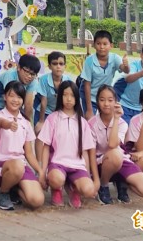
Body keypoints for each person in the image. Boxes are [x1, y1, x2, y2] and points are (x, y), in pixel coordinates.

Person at [88, 84, 143, 205]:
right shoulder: (91, 123)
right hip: (100, 164)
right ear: (97, 101)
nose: (106, 104)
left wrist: (117, 118)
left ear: (116, 102)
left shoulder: (122, 123)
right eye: (102, 100)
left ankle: (122, 182)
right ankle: (104, 186)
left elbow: (113, 144)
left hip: (120, 160)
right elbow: (93, 153)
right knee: (114, 155)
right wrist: (96, 181)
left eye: (110, 100)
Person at [38, 80, 99, 208]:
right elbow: (46, 147)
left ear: (77, 98)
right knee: (56, 179)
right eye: (65, 95)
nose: (68, 99)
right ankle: (57, 189)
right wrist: (42, 172)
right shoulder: (53, 118)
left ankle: (74, 188)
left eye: (72, 95)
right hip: (58, 164)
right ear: (60, 97)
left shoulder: (82, 122)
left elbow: (86, 151)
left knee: (88, 190)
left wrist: (87, 174)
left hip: (77, 166)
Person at [0, 80, 44, 212]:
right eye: (11, 96)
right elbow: (1, 123)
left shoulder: (25, 122)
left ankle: (14, 189)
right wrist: (8, 125)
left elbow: (29, 153)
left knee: (37, 201)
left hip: (20, 166)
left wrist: (40, 171)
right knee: (18, 166)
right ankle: (3, 193)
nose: (15, 100)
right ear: (5, 97)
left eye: (19, 97)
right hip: (0, 167)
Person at [80, 31, 124, 120]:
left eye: (105, 44)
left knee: (106, 119)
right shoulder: (89, 61)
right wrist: (89, 110)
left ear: (111, 45)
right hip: (89, 96)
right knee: (90, 120)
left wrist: (126, 65)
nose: (102, 47)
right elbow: (87, 84)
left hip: (104, 96)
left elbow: (124, 69)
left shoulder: (115, 58)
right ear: (94, 45)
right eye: (98, 43)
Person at [0, 53, 41, 122]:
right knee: (4, 128)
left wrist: (28, 125)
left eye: (32, 74)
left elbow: (28, 105)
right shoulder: (10, 75)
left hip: (13, 103)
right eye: (27, 72)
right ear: (18, 67)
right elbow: (9, 100)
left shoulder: (33, 80)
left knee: (21, 126)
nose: (29, 76)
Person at [36, 51, 74, 131]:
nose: (58, 66)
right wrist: (41, 121)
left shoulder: (68, 80)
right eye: (55, 63)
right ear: (49, 66)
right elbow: (44, 101)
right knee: (40, 131)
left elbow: (70, 100)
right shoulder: (43, 79)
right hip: (45, 111)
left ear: (65, 66)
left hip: (60, 111)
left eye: (61, 64)